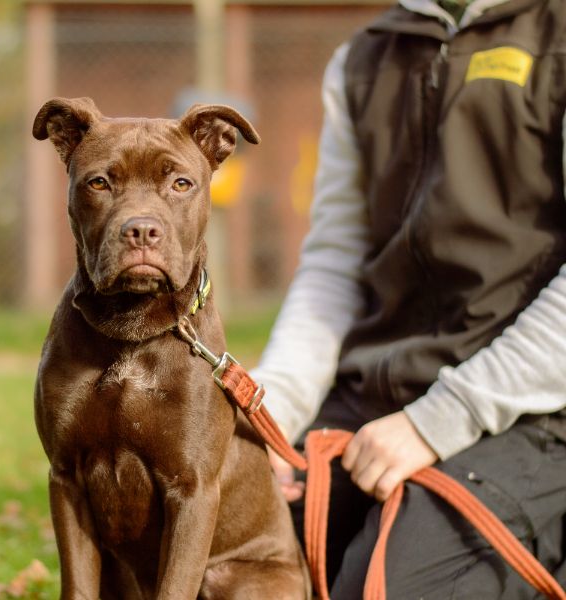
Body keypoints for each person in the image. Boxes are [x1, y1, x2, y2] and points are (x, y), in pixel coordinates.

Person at [251, 0, 566, 597]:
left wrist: (437, 423)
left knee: (383, 587)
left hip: (534, 413)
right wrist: (275, 415)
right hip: (374, 397)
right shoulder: (363, 57)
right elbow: (335, 263)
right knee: (225, 554)